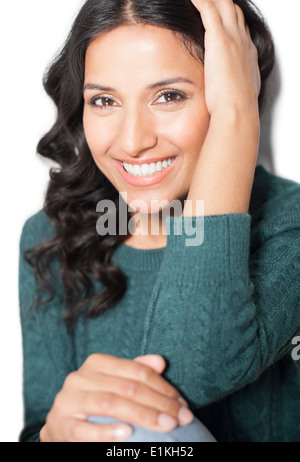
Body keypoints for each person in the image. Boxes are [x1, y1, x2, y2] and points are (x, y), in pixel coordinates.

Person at [18, 0, 300, 443]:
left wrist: (236, 117)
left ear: (234, 89)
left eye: (169, 96)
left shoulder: (291, 223)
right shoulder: (51, 236)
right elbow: (39, 425)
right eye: (104, 100)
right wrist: (55, 435)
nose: (132, 141)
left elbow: (196, 364)